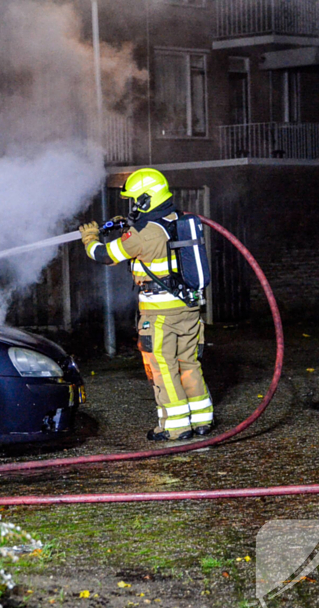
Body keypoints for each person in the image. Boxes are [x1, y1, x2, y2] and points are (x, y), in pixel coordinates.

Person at [78, 168, 213, 441]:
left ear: (145, 199)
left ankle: (176, 426)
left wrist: (89, 238)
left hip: (160, 313)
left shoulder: (143, 235)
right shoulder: (177, 219)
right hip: (188, 308)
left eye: (135, 200)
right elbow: (152, 238)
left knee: (163, 368)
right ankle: (202, 420)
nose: (132, 205)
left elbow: (105, 255)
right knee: (189, 364)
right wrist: (127, 224)